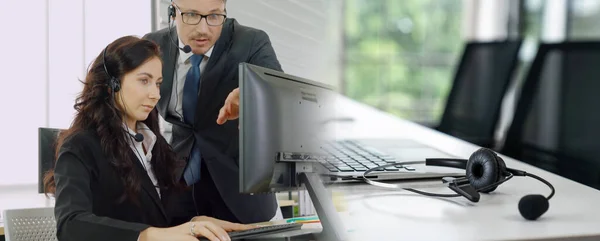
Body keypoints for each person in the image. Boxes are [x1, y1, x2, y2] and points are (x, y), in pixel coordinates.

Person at [43, 36, 253, 241]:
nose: (156, 94)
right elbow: (70, 225)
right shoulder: (80, 146)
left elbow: (159, 219)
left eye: (158, 83)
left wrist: (195, 223)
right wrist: (148, 235)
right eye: (144, 81)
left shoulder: (154, 145)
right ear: (112, 84)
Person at [143, 0, 283, 225]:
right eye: (191, 15)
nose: (203, 29)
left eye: (214, 16)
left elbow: (278, 94)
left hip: (239, 187)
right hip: (178, 185)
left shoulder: (251, 41)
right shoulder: (153, 45)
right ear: (172, 13)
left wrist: (251, 96)